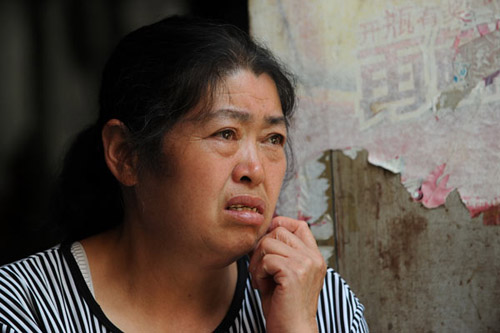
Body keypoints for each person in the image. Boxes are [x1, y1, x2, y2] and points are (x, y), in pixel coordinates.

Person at [0, 16, 368, 332]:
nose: (255, 170)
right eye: (225, 133)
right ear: (126, 154)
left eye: (273, 138)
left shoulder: (314, 299)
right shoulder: (26, 307)